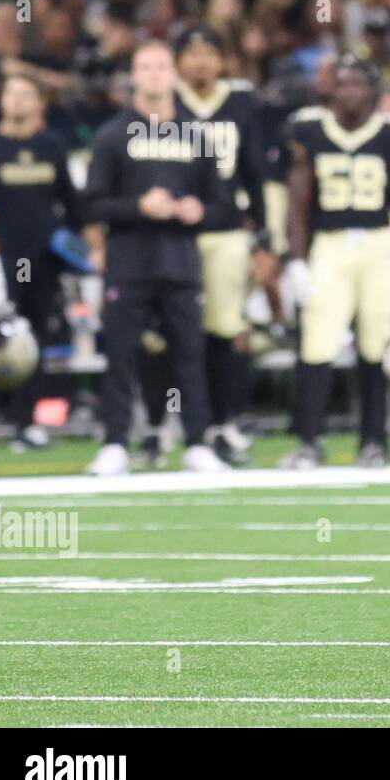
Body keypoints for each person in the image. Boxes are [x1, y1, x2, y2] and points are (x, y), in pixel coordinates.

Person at [83, 40, 231, 475]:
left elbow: (224, 206)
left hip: (181, 265)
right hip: (128, 264)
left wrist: (198, 210)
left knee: (190, 354)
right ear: (134, 74)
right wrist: (138, 206)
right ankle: (114, 442)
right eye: (145, 67)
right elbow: (92, 205)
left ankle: (197, 440)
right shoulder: (113, 135)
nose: (153, 75)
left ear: (174, 74)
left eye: (161, 67)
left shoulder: (196, 135)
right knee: (120, 355)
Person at [139, 26, 274, 465]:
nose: (199, 62)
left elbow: (254, 173)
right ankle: (159, 425)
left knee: (223, 329)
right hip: (169, 234)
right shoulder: (165, 102)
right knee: (163, 333)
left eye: (208, 53)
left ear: (223, 61)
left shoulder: (239, 104)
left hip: (225, 231)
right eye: (191, 54)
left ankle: (222, 423)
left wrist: (264, 238)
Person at [276, 56, 390, 469]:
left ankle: (375, 440)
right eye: (343, 84)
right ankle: (309, 440)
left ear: (373, 91)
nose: (350, 92)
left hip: (380, 245)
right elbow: (298, 202)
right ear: (329, 90)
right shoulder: (308, 130)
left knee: (376, 344)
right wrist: (296, 260)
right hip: (330, 245)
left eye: (358, 84)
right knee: (317, 342)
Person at [0, 74, 94, 450]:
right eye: (13, 94)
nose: (19, 101)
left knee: (35, 340)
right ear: (3, 100)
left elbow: (73, 204)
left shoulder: (51, 147)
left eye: (27, 95)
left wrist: (86, 243)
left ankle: (28, 423)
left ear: (39, 103)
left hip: (44, 261)